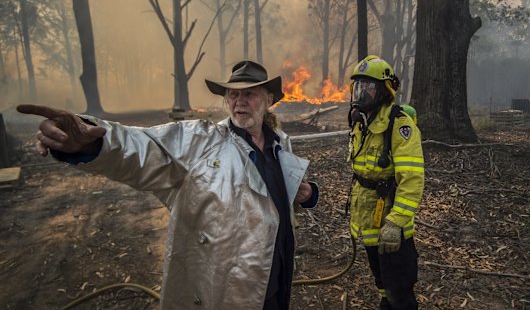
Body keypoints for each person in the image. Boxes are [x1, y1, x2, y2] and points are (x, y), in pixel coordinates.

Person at [18, 60, 319, 310]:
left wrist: (305, 195)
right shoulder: (201, 142)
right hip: (228, 291)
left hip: (277, 277)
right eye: (232, 94)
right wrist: (93, 142)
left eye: (249, 94)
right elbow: (142, 146)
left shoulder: (281, 143)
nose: (239, 101)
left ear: (268, 100)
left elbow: (276, 200)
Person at [347, 55, 424, 310]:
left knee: (399, 291)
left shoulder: (399, 125)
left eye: (368, 87)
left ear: (384, 90)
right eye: (358, 86)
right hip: (369, 221)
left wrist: (395, 222)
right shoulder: (363, 122)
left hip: (391, 227)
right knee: (383, 284)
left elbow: (411, 179)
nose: (361, 93)